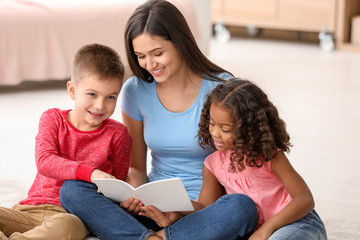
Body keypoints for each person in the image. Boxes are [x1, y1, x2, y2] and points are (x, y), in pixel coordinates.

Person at [59, 0, 236, 239]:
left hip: (203, 208)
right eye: (141, 56)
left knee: (241, 207)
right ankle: (152, 237)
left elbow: (237, 165)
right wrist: (131, 194)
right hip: (154, 205)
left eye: (158, 53)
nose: (150, 65)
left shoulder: (221, 88)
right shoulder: (136, 90)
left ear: (181, 43)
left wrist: (186, 210)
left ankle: (163, 233)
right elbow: (137, 167)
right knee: (72, 190)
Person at [141, 78, 328, 239]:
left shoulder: (271, 156)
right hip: (253, 232)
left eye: (225, 129)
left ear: (250, 128)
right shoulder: (213, 164)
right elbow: (207, 209)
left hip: (295, 224)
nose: (214, 133)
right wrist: (174, 206)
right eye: (212, 123)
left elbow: (304, 199)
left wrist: (266, 230)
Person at [0, 43, 131, 240]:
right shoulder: (53, 119)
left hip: (70, 216)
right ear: (72, 90)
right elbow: (45, 161)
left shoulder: (119, 135)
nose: (100, 105)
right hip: (29, 209)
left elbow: (116, 184)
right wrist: (91, 173)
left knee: (68, 226)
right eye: (92, 94)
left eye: (110, 97)